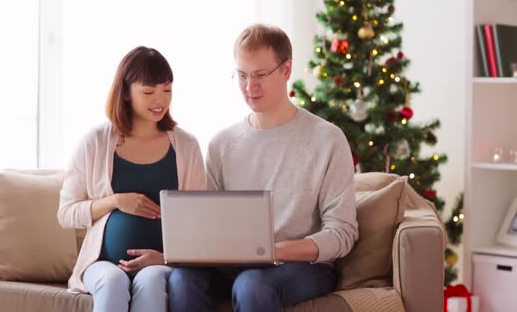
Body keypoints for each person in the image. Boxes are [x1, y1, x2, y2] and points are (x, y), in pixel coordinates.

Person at [168, 24, 359, 312]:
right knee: (182, 280)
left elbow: (342, 232)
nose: (249, 86)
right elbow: (209, 229)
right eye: (242, 75)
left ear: (286, 70)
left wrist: (275, 251)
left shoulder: (326, 139)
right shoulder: (222, 144)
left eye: (259, 75)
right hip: (235, 264)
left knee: (252, 285)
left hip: (303, 266)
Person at [57, 46, 206, 312]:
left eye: (167, 90)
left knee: (150, 282)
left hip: (159, 263)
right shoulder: (94, 143)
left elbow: (198, 222)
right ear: (125, 92)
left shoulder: (187, 146)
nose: (160, 100)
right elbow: (66, 213)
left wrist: (164, 259)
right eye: (148, 92)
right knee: (112, 282)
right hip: (103, 263)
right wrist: (115, 201)